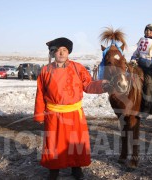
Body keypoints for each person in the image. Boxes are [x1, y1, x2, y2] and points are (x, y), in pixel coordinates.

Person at [34, 37, 110, 180]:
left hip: (74, 113)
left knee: (76, 142)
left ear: (68, 52)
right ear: (53, 53)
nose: (61, 53)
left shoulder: (78, 68)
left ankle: (76, 168)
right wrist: (39, 114)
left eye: (64, 50)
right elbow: (40, 94)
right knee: (54, 143)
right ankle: (53, 170)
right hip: (53, 114)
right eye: (57, 51)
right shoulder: (45, 71)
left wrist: (103, 85)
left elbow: (88, 85)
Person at [130, 24, 152, 118]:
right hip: (139, 66)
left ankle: (146, 109)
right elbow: (136, 53)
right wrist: (133, 59)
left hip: (150, 68)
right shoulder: (142, 41)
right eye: (146, 30)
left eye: (150, 31)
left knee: (148, 85)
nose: (148, 32)